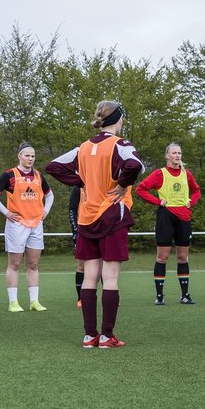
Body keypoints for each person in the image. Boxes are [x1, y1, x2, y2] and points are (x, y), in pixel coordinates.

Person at [46, 100, 144, 349]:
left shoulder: (83, 147)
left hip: (86, 216)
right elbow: (135, 165)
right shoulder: (121, 145)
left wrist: (80, 182)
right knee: (110, 278)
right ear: (118, 119)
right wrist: (122, 184)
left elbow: (53, 167)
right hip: (112, 215)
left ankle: (90, 336)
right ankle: (107, 336)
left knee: (89, 277)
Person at [0, 143, 54, 313]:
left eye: (32, 156)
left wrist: (45, 211)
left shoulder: (39, 176)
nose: (30, 159)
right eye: (27, 155)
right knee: (15, 264)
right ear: (19, 156)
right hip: (17, 224)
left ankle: (34, 301)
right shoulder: (9, 175)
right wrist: (6, 212)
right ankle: (13, 302)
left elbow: (49, 195)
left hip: (36, 224)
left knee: (33, 263)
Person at [135, 143, 202, 305]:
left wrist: (191, 202)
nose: (177, 156)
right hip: (166, 216)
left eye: (179, 153)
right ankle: (160, 296)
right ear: (167, 156)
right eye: (174, 153)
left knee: (182, 257)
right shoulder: (160, 174)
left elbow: (197, 191)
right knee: (162, 257)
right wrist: (158, 201)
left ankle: (185, 296)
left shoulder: (187, 174)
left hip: (184, 218)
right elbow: (140, 189)